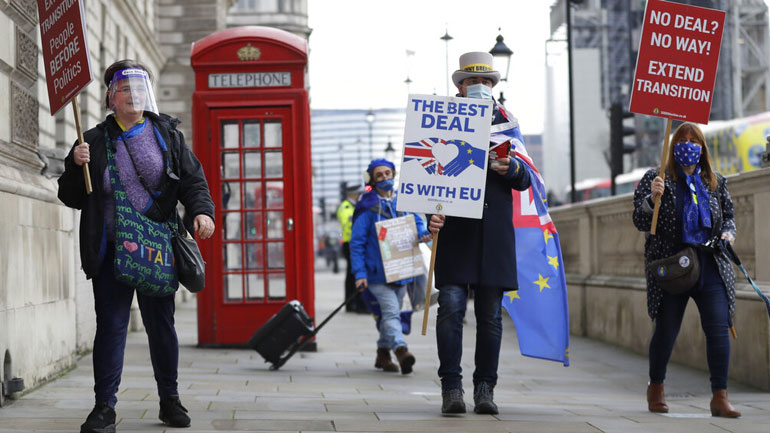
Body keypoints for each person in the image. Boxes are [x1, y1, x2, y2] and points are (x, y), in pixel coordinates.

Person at [57, 60, 215, 432]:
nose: (134, 95)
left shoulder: (168, 135)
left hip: (157, 247)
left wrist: (202, 213)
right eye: (125, 89)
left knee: (162, 326)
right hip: (110, 251)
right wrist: (73, 163)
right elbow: (71, 196)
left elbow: (193, 181)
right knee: (111, 327)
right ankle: (103, 409)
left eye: (140, 88)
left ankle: (170, 400)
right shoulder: (92, 140)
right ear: (111, 97)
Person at [427, 52, 532, 415]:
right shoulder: (440, 120)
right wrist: (431, 216)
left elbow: (527, 178)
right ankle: (451, 388)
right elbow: (424, 176)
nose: (481, 88)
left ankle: (485, 388)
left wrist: (512, 167)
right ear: (460, 86)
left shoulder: (507, 123)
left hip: (494, 234)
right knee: (451, 308)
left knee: (490, 316)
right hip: (455, 230)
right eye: (475, 83)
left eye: (487, 83)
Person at [632, 122, 740, 418]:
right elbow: (640, 222)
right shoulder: (656, 178)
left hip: (711, 264)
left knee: (718, 329)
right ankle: (656, 387)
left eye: (694, 140)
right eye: (682, 139)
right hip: (673, 265)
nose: (688, 144)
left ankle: (720, 396)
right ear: (672, 145)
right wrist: (650, 200)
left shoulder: (715, 181)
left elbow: (729, 217)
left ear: (702, 147)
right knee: (666, 330)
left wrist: (729, 234)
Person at [350, 158, 432, 374]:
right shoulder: (367, 207)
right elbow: (357, 243)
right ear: (372, 180)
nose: (385, 178)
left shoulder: (404, 200)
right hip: (377, 275)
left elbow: (417, 221)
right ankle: (401, 349)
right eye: (379, 175)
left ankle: (382, 352)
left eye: (388, 173)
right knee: (391, 312)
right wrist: (359, 273)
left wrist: (423, 232)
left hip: (403, 271)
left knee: (392, 314)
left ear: (393, 174)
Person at [337, 183, 368, 312]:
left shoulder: (354, 206)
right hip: (350, 243)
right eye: (359, 194)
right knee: (352, 275)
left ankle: (354, 304)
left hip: (355, 243)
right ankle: (352, 304)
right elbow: (349, 223)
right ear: (354, 194)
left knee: (353, 274)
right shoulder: (345, 207)